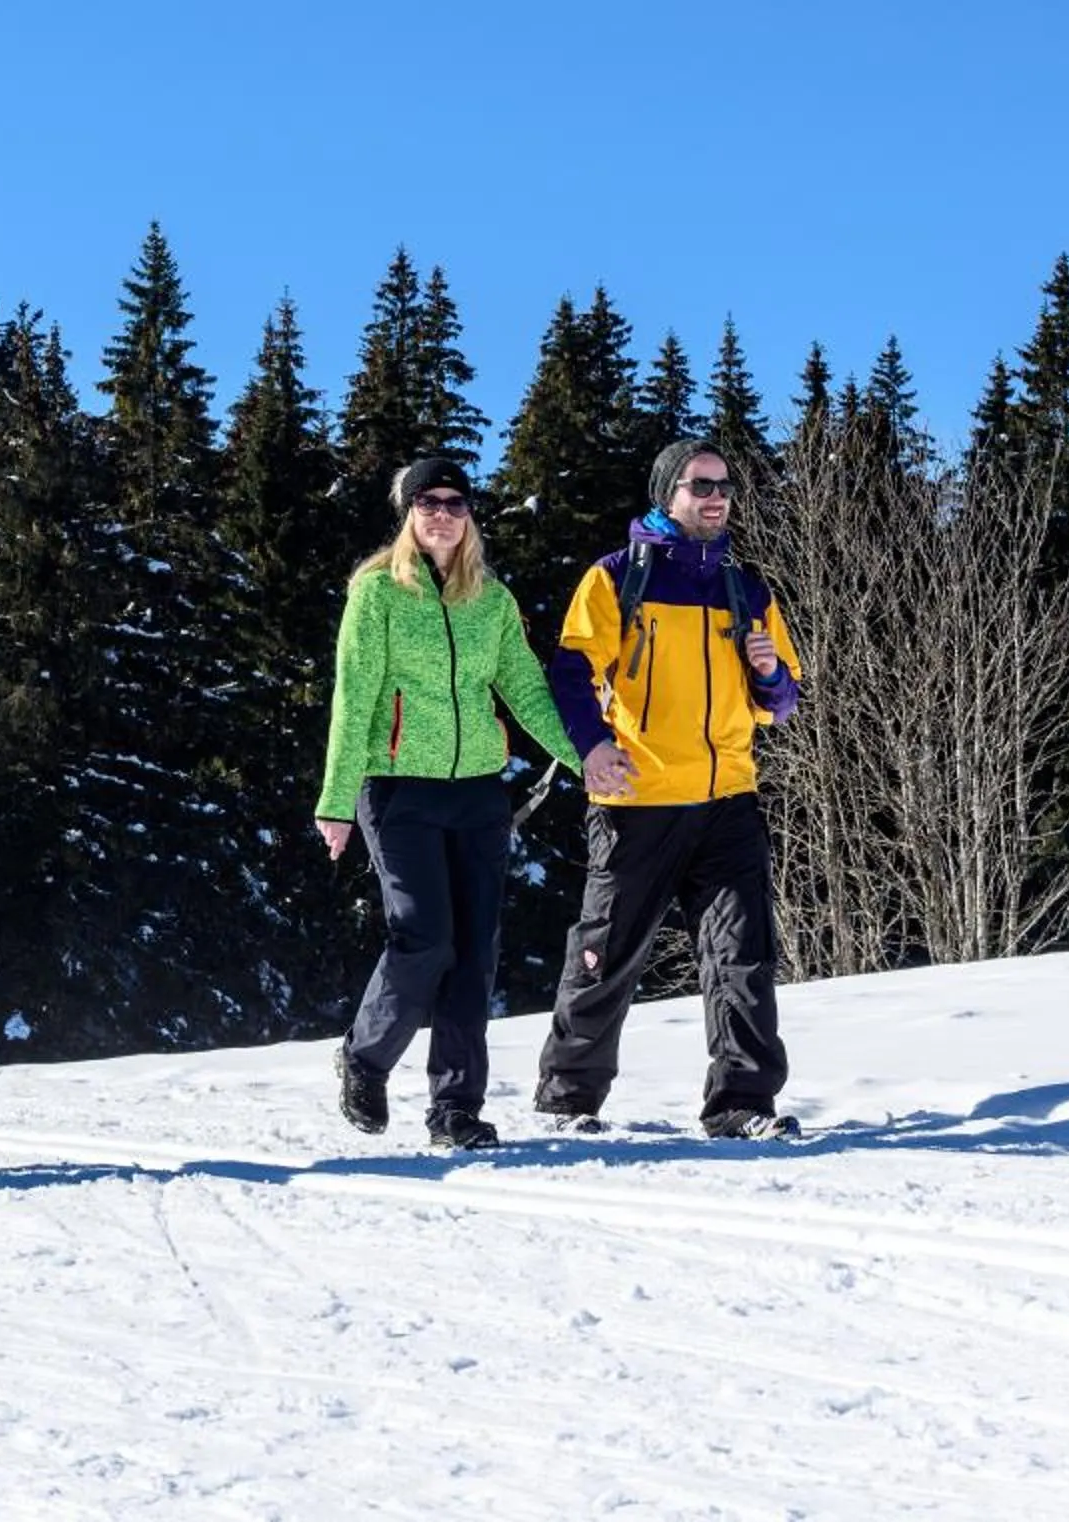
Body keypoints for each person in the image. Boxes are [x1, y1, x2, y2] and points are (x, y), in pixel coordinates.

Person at [313, 456, 624, 1150]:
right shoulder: (377, 594)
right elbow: (353, 698)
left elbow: (527, 692)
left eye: (455, 502)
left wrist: (588, 759)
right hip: (397, 789)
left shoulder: (492, 600)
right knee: (423, 937)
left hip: (479, 792)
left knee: (474, 954)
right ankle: (364, 1058)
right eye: (429, 502)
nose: (443, 514)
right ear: (408, 512)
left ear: (470, 514)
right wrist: (336, 802)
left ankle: (456, 1110)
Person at [535, 438, 807, 1139]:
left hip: (728, 801)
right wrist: (592, 748)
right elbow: (570, 673)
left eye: (723, 486)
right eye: (699, 486)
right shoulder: (616, 577)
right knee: (605, 956)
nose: (715, 497)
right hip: (638, 801)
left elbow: (782, 701)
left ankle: (742, 1105)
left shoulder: (747, 589)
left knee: (743, 957)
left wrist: (771, 672)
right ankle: (569, 1102)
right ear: (667, 495)